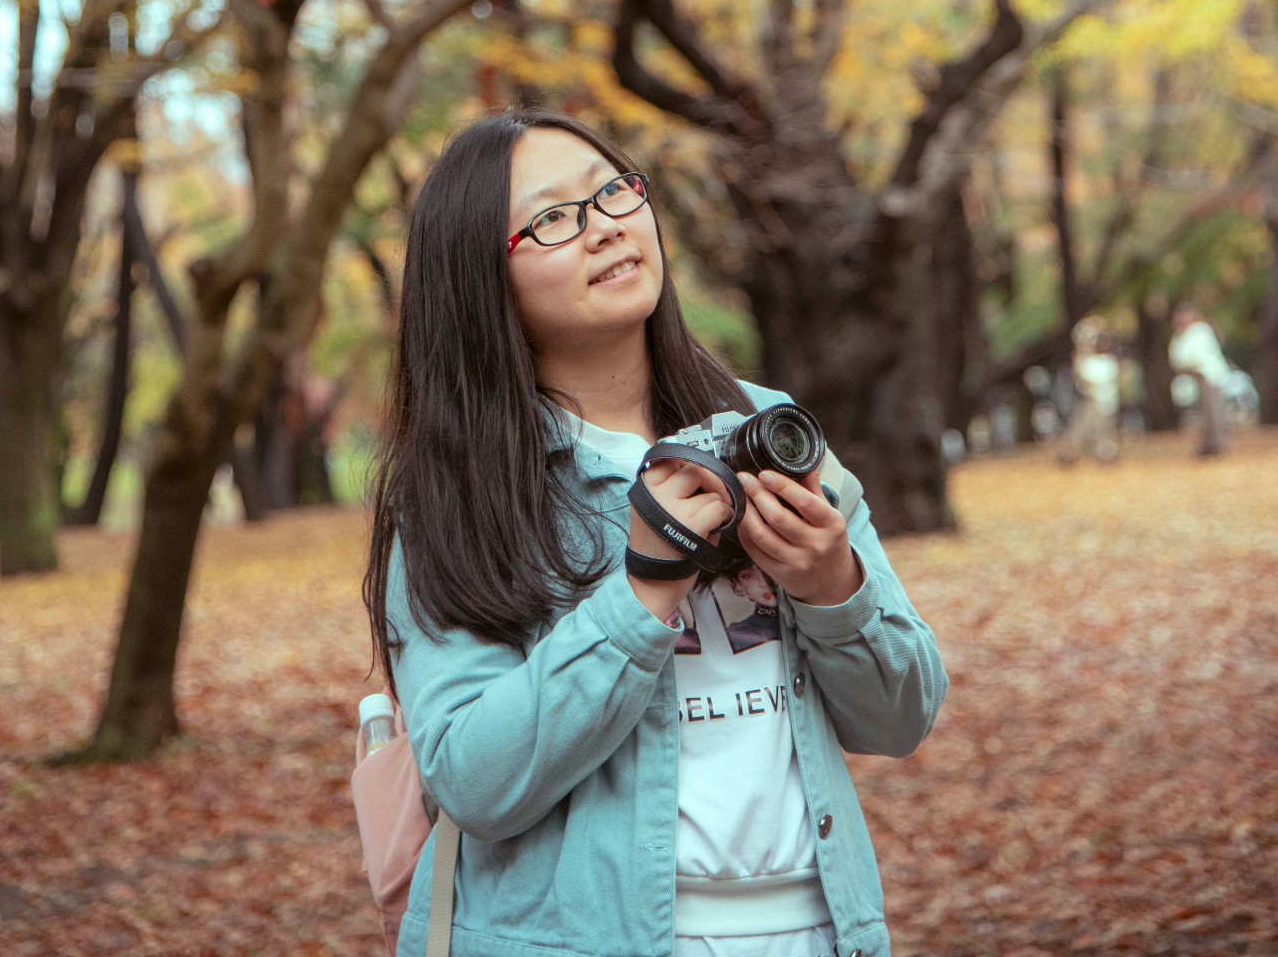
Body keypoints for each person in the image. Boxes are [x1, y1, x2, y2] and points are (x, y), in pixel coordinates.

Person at [365, 110, 947, 957]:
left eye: (612, 192)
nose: (604, 227)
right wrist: (641, 594)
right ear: (477, 276)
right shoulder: (457, 494)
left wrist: (833, 588)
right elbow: (472, 782)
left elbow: (900, 718)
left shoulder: (767, 429)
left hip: (820, 934)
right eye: (554, 218)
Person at [1168, 302, 1231, 457]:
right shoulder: (1180, 334)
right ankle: (1207, 443)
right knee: (1202, 412)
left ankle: (1218, 444)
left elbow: (1195, 355)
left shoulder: (1200, 331)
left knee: (1213, 411)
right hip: (1195, 377)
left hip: (1208, 375)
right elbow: (1176, 357)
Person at [1057, 316, 1121, 465]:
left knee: (1096, 430)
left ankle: (1105, 454)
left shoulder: (1106, 362)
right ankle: (1072, 453)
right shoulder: (1092, 361)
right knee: (1084, 428)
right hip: (1093, 400)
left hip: (1101, 402)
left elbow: (1088, 379)